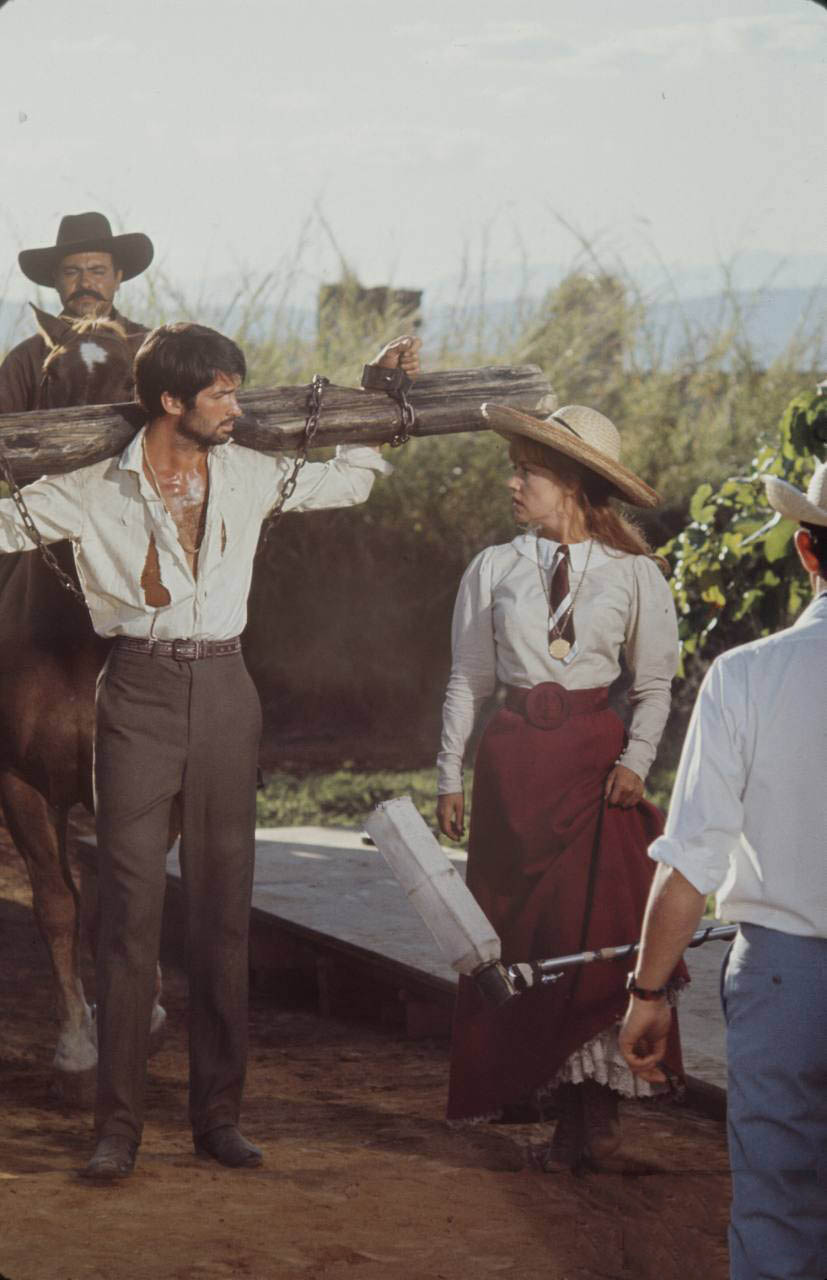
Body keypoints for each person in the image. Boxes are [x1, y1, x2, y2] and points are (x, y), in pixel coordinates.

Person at [0, 320, 421, 1179]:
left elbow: (349, 482)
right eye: (222, 393)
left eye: (235, 389)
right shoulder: (89, 489)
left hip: (227, 692)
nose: (238, 405)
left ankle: (217, 1119)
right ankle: (116, 1128)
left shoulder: (250, 472)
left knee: (224, 916)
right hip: (138, 696)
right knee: (127, 917)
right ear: (170, 402)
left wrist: (376, 395)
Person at [436, 402, 685, 1169]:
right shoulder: (493, 568)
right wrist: (448, 772)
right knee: (523, 943)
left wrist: (635, 762)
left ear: (572, 485)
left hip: (595, 772)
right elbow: (467, 679)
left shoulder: (635, 574)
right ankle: (549, 1110)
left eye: (529, 473)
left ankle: (597, 1123)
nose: (514, 484)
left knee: (599, 937)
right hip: (513, 774)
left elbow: (653, 685)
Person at [619, 462, 827, 1279]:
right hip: (780, 975)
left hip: (783, 978)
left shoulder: (746, 676)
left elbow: (690, 861)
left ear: (807, 553)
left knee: (775, 1210)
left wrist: (646, 993)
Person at [0, 210, 152, 412]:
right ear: (55, 280)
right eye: (71, 272)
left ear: (117, 278)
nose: (85, 282)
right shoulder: (24, 361)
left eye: (98, 271)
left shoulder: (149, 350)